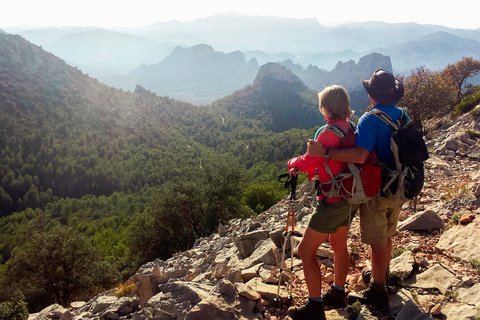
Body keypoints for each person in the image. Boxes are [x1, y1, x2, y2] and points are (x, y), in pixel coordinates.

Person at [307, 69, 407, 315]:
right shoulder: (402, 114)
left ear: (372, 94)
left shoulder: (370, 119)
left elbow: (360, 156)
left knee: (377, 241)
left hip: (379, 188)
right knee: (387, 233)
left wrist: (326, 153)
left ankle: (378, 291)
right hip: (402, 184)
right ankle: (382, 275)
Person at [287, 85, 359, 320]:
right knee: (339, 243)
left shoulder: (328, 133)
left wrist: (292, 163)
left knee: (305, 250)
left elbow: (308, 161)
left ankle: (315, 307)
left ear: (326, 107)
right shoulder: (349, 126)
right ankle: (338, 292)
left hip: (332, 199)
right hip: (349, 195)